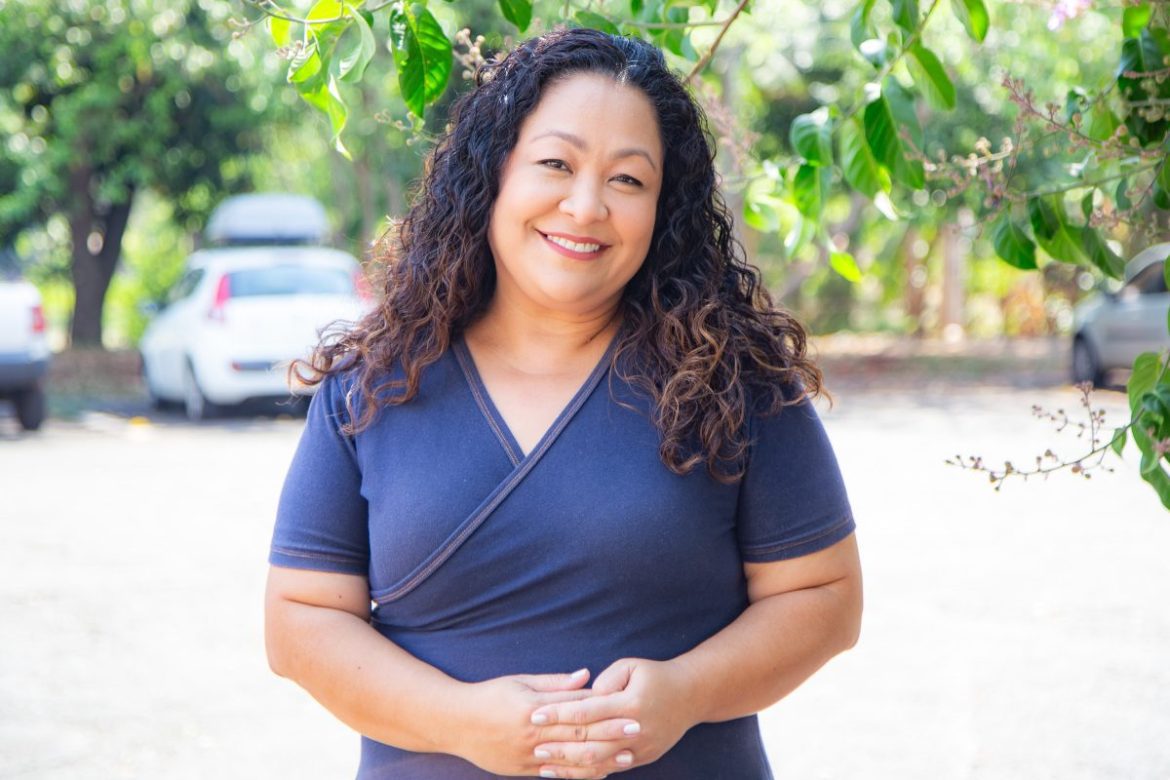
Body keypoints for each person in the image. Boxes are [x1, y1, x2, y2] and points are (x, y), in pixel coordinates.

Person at [265, 27, 862, 780]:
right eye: (556, 163)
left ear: (664, 209)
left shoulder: (734, 379)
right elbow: (300, 618)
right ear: (494, 172)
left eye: (628, 180)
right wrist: (458, 722)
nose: (585, 206)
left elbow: (825, 596)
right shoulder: (374, 382)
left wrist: (685, 693)